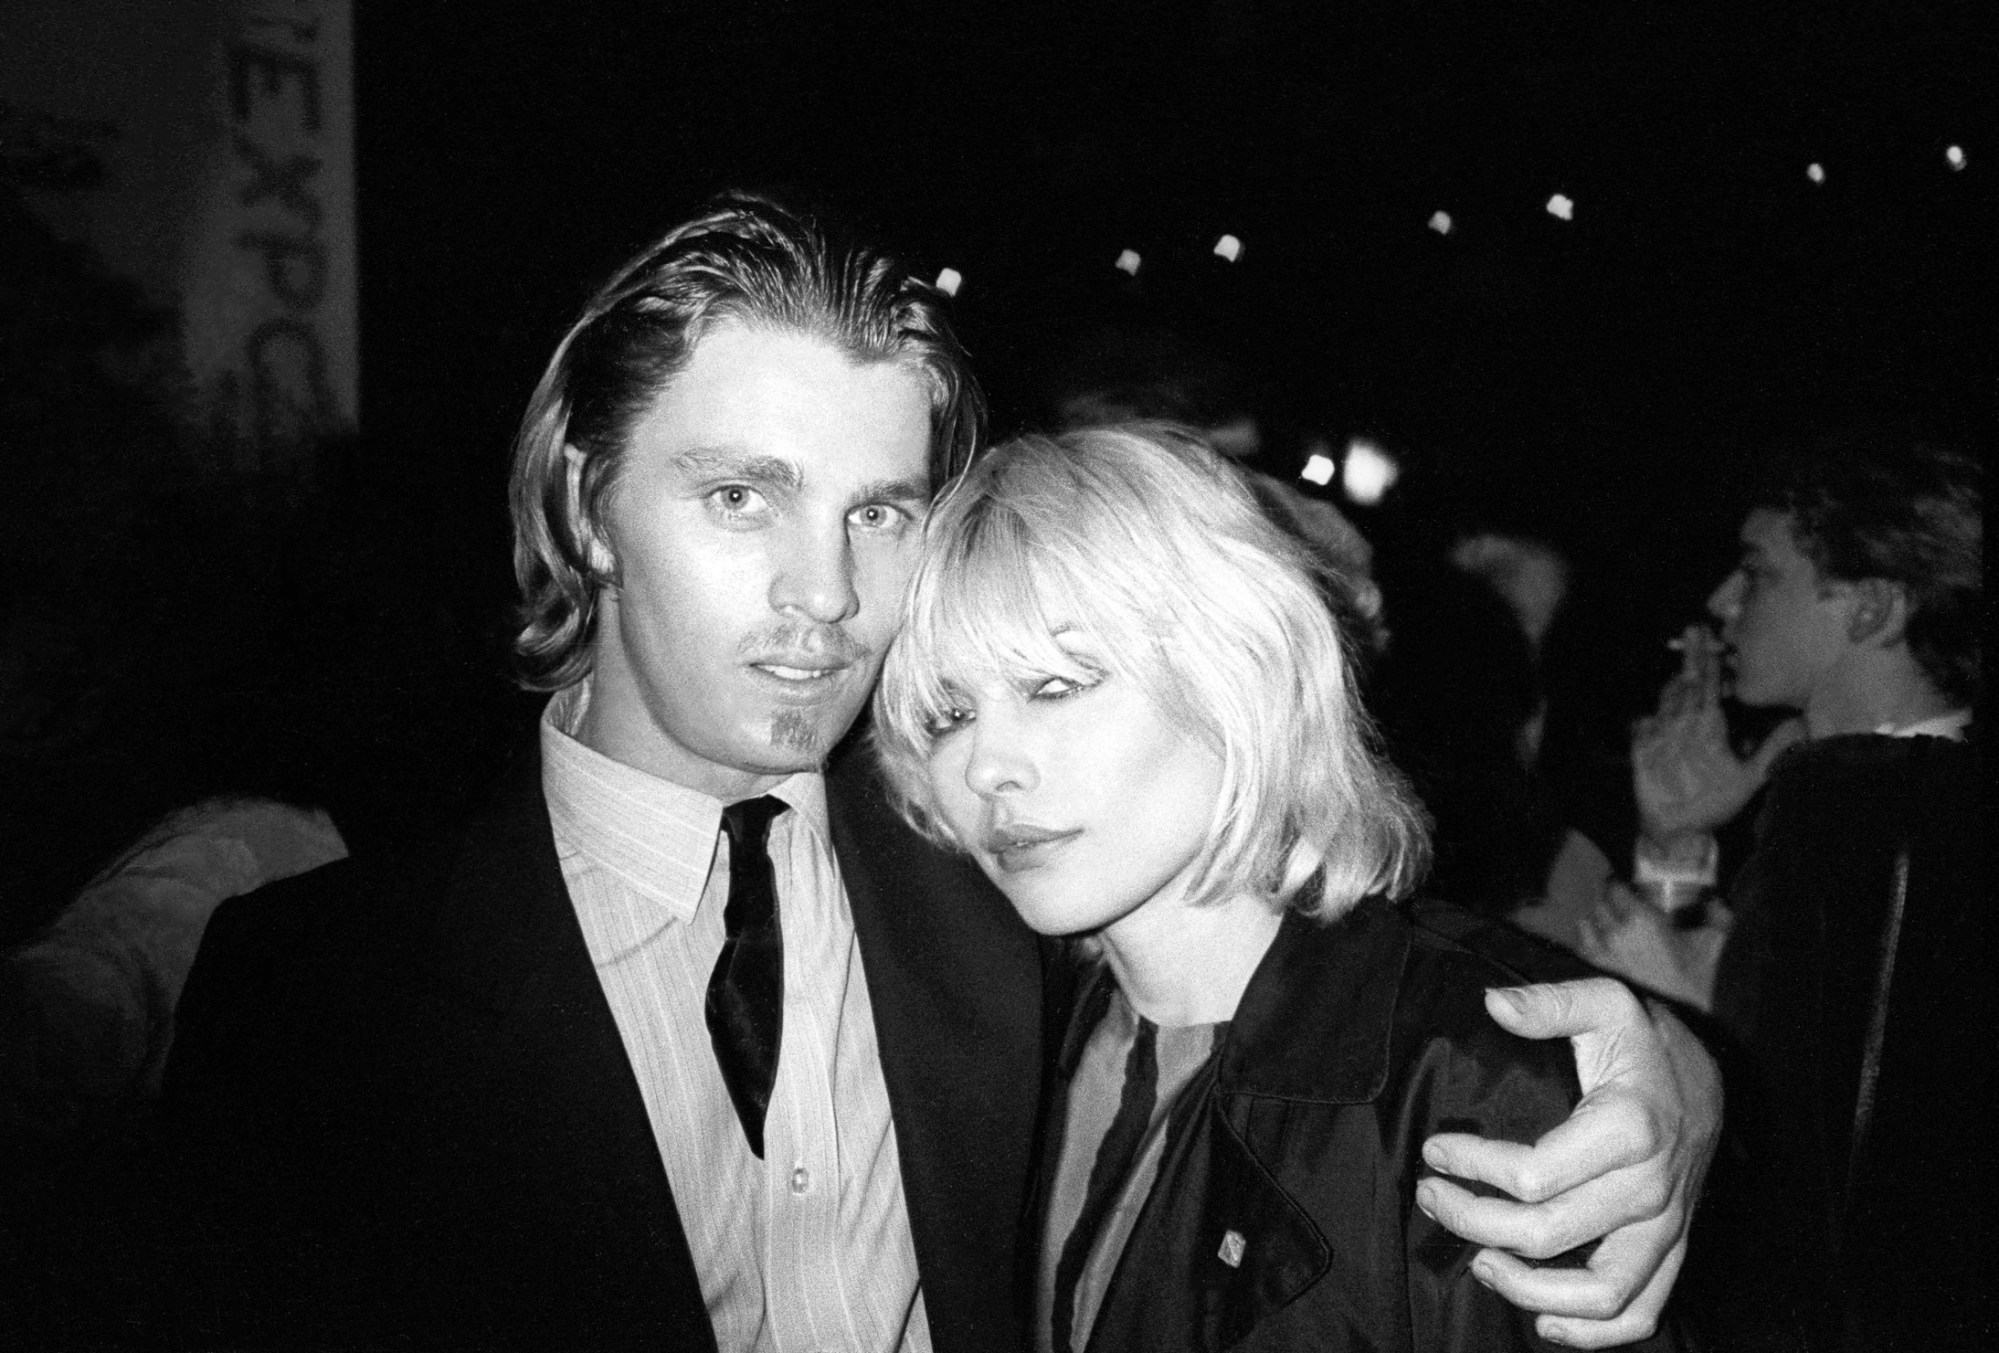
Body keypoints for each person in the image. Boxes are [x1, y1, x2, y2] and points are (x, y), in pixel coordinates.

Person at [164, 193, 1714, 1351]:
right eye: (738, 496)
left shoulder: (1011, 872)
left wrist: (1671, 1082)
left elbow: (1317, 988)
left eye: (879, 512)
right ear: (585, 503)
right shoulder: (315, 1003)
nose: (822, 594)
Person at [873, 425, 1679, 1351]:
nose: (987, 765)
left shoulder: (1466, 1077)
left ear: (1237, 675)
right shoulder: (1008, 1032)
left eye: (1056, 685)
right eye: (946, 712)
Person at [1578, 438, 1984, 1349]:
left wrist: (1701, 1005)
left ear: (1871, 605)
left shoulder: (1906, 814)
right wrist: (1678, 839)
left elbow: (1860, 1168)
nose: (1722, 601)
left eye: (1758, 573)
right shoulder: (1830, 799)